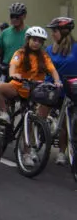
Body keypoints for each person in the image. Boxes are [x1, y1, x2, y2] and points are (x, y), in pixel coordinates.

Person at [0, 26, 61, 167]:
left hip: (34, 91)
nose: (37, 43)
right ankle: (4, 112)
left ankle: (27, 153)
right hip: (18, 86)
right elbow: (13, 65)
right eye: (34, 40)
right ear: (28, 40)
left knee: (29, 121)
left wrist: (57, 81)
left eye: (40, 41)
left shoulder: (44, 56)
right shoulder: (21, 52)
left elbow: (52, 69)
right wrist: (14, 74)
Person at [45, 17, 76, 166]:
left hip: (70, 92)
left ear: (64, 32)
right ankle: (29, 148)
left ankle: (62, 153)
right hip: (52, 90)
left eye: (55, 31)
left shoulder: (76, 49)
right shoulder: (50, 49)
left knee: (65, 123)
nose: (52, 34)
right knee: (39, 113)